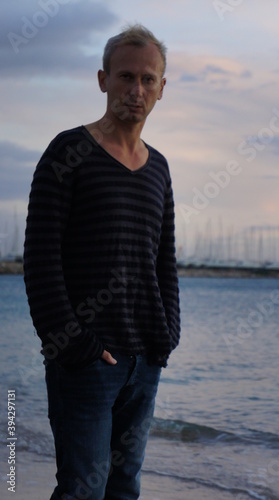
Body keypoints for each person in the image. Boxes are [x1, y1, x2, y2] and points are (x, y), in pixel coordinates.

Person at [24, 24, 180, 500]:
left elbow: (164, 262)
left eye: (147, 79)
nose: (136, 90)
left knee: (124, 489)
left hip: (144, 362)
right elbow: (40, 258)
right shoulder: (68, 151)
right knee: (81, 491)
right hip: (85, 364)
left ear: (161, 89)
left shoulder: (159, 168)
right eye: (125, 77)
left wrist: (167, 335)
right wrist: (75, 344)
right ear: (102, 80)